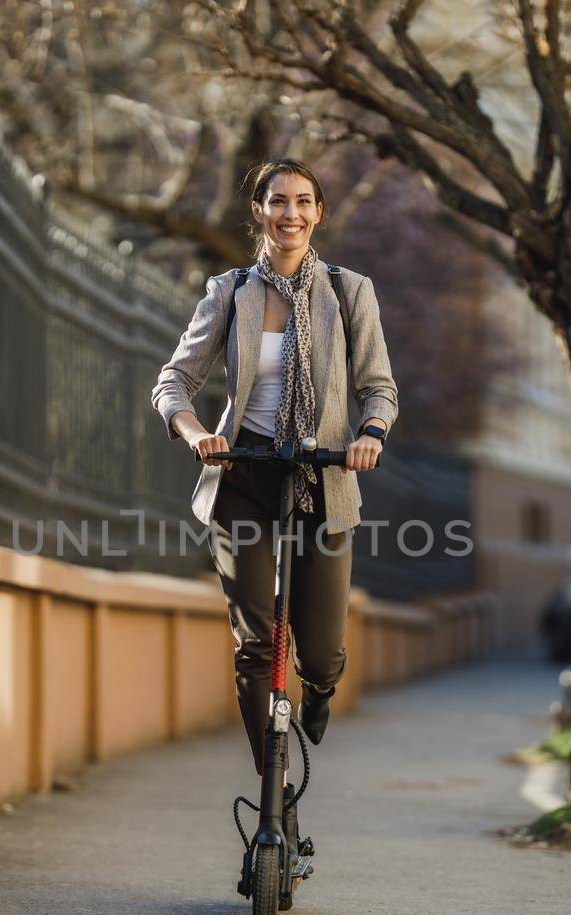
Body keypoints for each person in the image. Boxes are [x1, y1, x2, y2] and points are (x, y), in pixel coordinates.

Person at [150, 156, 399, 785]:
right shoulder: (230, 291)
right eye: (278, 201)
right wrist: (198, 433)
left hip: (326, 471)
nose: (292, 214)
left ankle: (320, 688)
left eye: (304, 202)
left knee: (316, 650)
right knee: (258, 646)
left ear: (318, 212)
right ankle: (273, 793)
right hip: (246, 472)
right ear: (258, 211)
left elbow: (379, 388)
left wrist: (369, 434)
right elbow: (173, 382)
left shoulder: (348, 291)